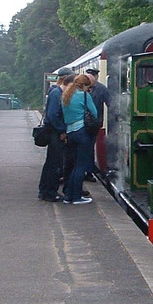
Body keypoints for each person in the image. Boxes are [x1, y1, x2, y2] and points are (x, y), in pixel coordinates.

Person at [61, 73, 97, 205]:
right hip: (82, 132)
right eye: (88, 87)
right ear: (85, 86)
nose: (89, 90)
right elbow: (94, 113)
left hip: (70, 133)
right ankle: (76, 197)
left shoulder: (65, 95)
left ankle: (68, 196)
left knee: (73, 165)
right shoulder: (84, 96)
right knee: (80, 166)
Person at [37, 68, 70, 202]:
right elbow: (53, 115)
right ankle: (50, 192)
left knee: (50, 163)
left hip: (52, 132)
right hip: (55, 134)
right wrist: (62, 130)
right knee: (55, 163)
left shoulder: (53, 91)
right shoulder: (57, 93)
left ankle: (44, 190)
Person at [85, 67, 111, 180]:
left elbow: (110, 103)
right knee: (87, 147)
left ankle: (89, 171)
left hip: (93, 124)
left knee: (89, 146)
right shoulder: (101, 89)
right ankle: (87, 171)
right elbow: (110, 103)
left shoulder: (101, 89)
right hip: (90, 122)